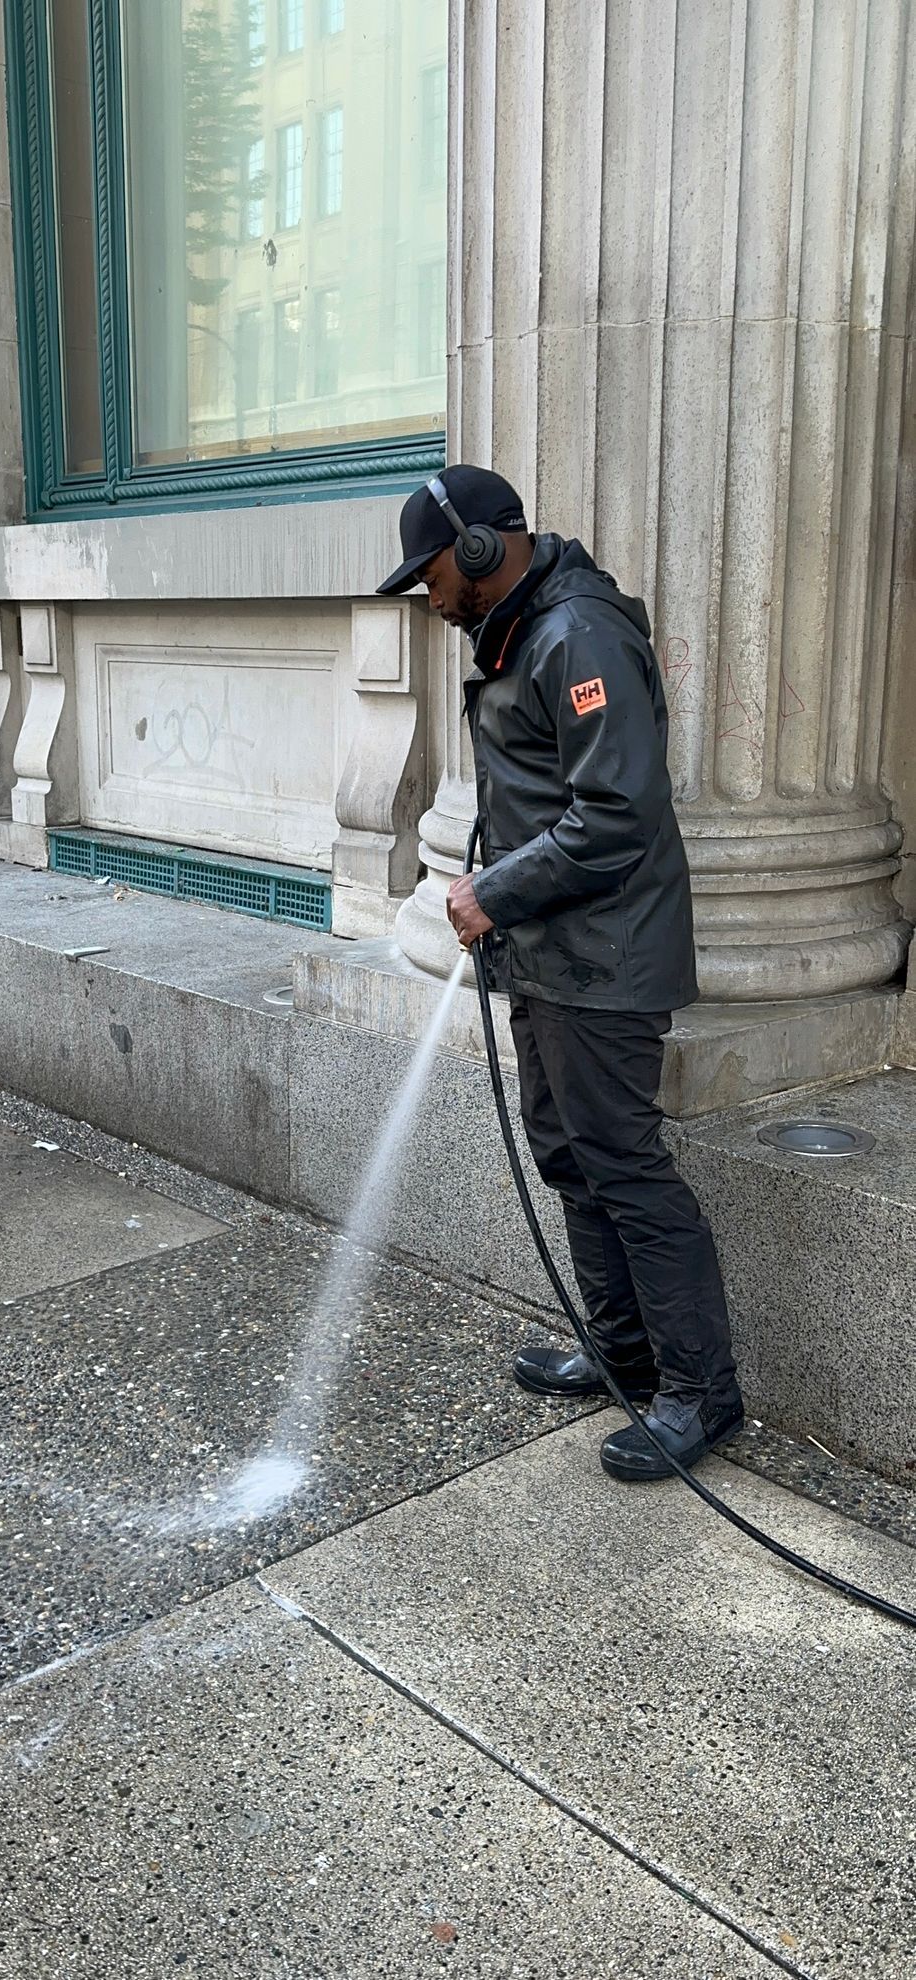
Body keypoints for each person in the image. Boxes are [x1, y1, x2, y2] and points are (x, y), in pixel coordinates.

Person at [377, 464, 743, 1481]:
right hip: (550, 949)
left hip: (605, 957)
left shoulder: (576, 633)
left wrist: (496, 891)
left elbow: (617, 812)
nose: (427, 593)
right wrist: (497, 884)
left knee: (622, 1167)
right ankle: (621, 1357)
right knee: (569, 1155)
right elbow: (546, 796)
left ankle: (700, 1395)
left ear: (483, 549)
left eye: (433, 571)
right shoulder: (521, 630)